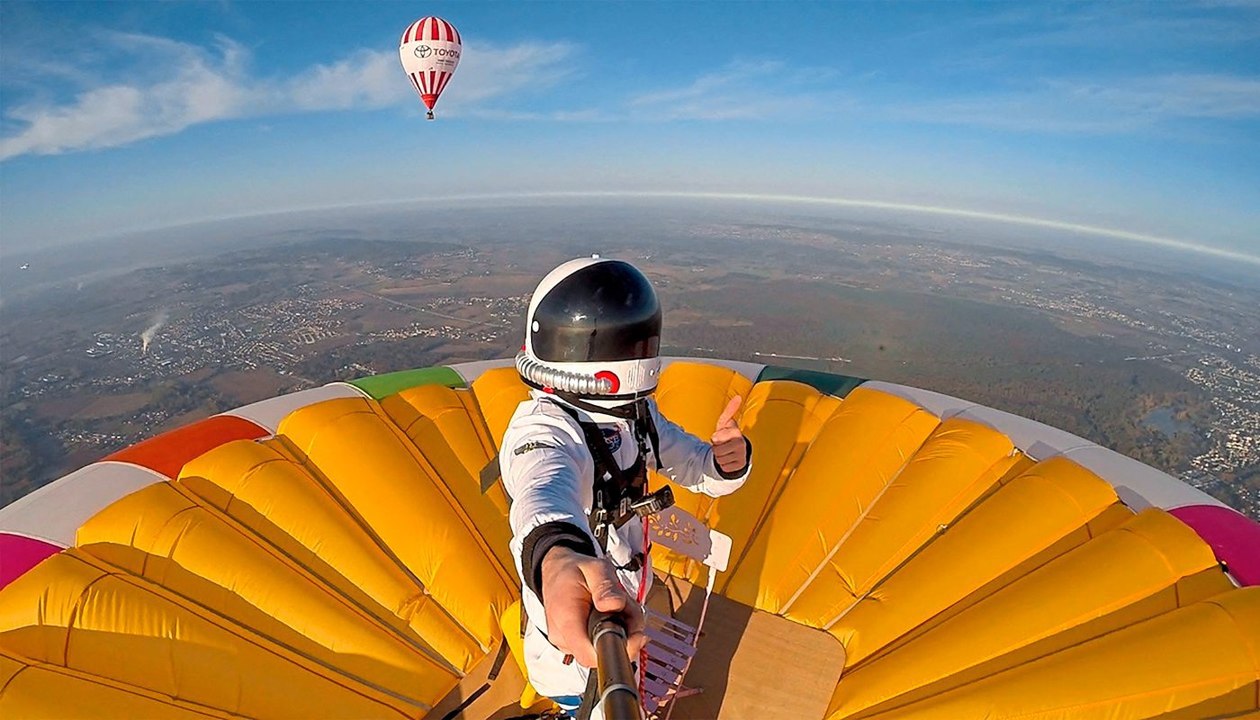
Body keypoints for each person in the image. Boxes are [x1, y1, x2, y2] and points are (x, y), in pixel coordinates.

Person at [500, 256, 752, 718]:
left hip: (625, 594)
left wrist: (724, 464)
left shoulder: (635, 415)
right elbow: (542, 491)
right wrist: (557, 557)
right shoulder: (544, 429)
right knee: (586, 699)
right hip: (575, 622)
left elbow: (691, 464)